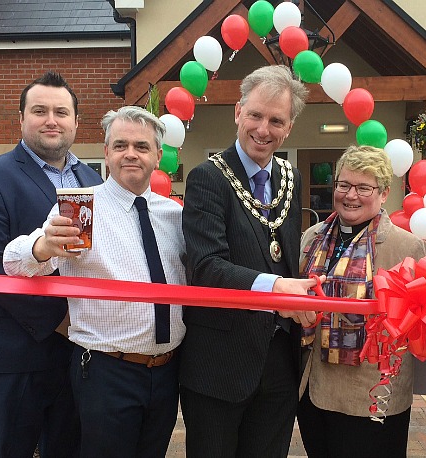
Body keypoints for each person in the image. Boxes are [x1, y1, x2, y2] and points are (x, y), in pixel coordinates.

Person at [3, 106, 185, 457]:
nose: (130, 153)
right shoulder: (79, 208)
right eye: (120, 145)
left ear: (158, 156)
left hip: (166, 372)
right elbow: (12, 262)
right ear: (106, 152)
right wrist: (42, 247)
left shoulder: (175, 215)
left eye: (141, 146)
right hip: (106, 371)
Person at [0, 71, 103, 457]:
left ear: (76, 121)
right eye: (39, 111)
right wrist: (62, 323)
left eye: (61, 111)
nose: (51, 120)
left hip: (77, 357)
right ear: (21, 119)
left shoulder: (94, 181)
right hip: (10, 355)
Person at [179, 64, 320, 457]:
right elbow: (206, 266)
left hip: (279, 359)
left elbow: (287, 257)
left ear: (289, 127)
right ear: (237, 112)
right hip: (220, 362)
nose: (263, 129)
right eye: (256, 115)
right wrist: (277, 289)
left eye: (276, 120)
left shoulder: (290, 178)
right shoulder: (208, 177)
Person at [297, 145, 426, 457]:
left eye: (364, 187)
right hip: (314, 387)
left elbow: (421, 327)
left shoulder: (407, 247)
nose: (351, 195)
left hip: (372, 394)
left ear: (384, 193)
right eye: (343, 185)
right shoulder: (311, 238)